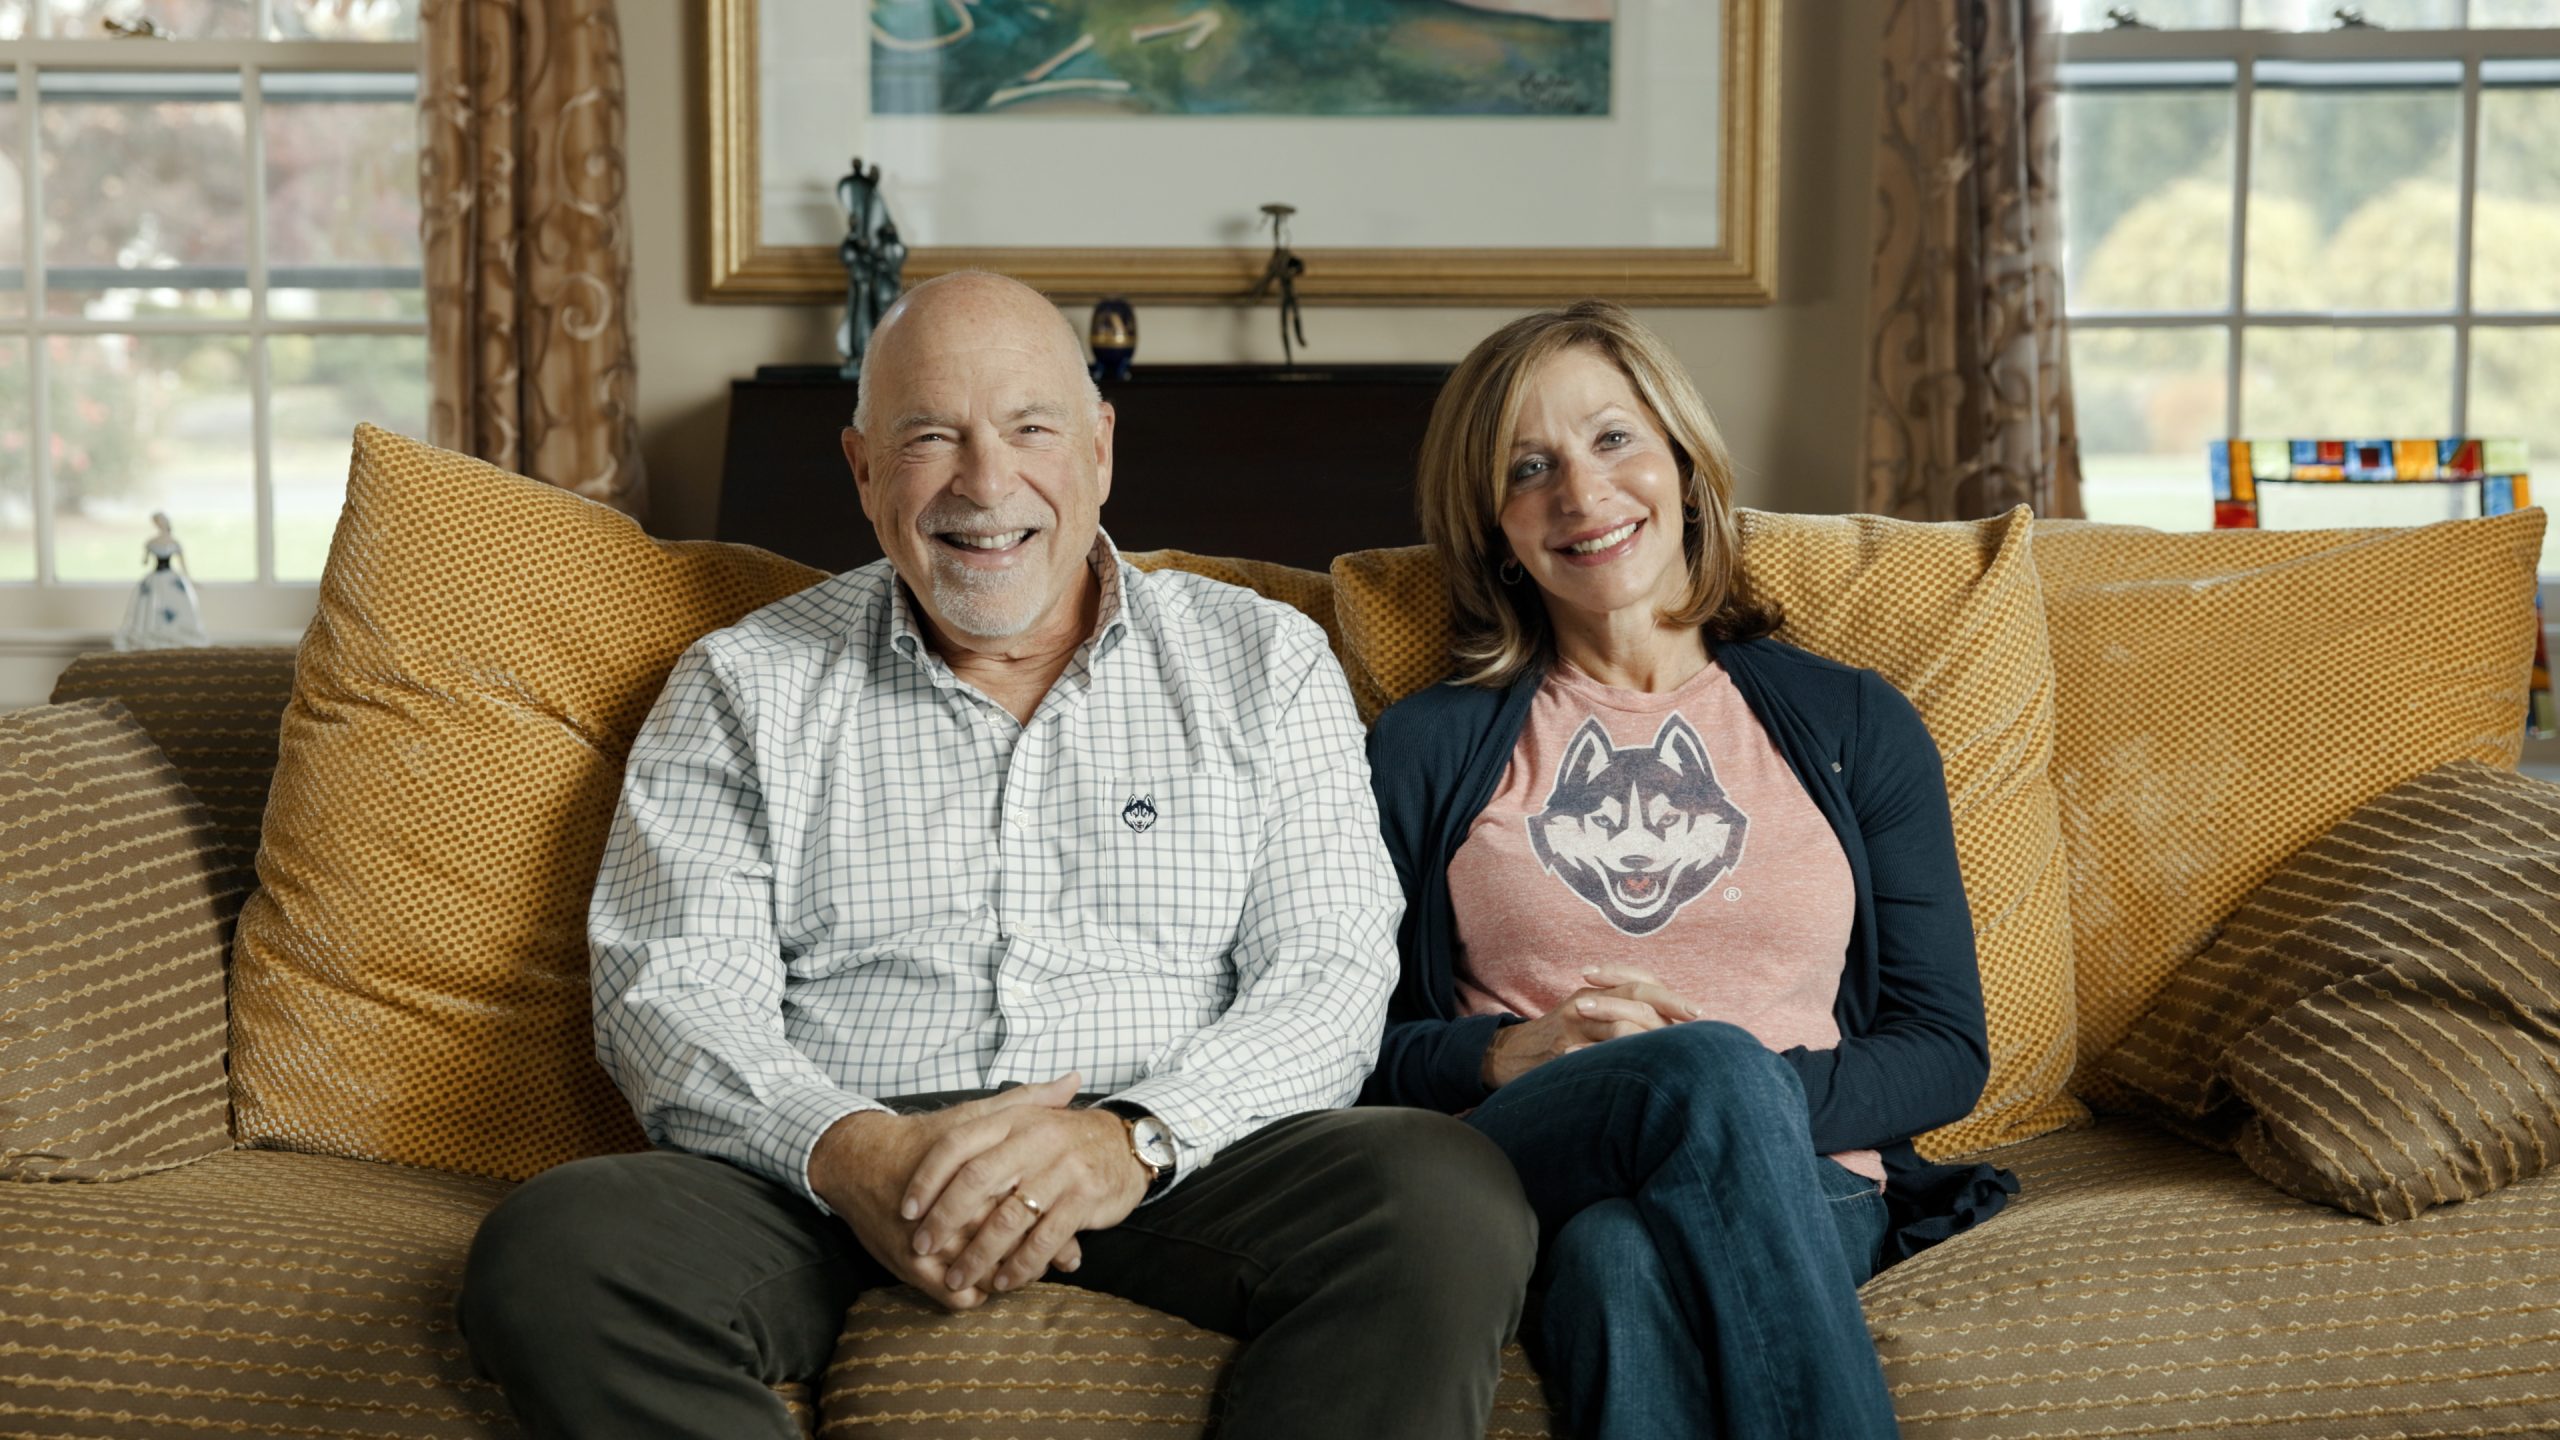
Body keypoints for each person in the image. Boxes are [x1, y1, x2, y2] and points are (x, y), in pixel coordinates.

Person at [457, 271, 1535, 1440]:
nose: (986, 484)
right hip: (836, 1172)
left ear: (1100, 448)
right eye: (930, 437)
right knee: (560, 1247)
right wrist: (854, 1153)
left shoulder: (1260, 662)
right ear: (864, 470)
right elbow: (670, 996)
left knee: (1443, 1198)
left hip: (1179, 1158)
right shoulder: (742, 684)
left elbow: (1328, 972)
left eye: (1030, 429)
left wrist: (1130, 1143)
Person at [1363, 300, 2018, 1439]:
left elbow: (1943, 1049)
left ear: (1681, 456)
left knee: (1623, 1257)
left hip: (1803, 1181)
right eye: (1529, 468)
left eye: (1613, 439)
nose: (1581, 493)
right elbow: (1337, 1040)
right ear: (1492, 527)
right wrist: (1506, 1050)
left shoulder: (1853, 723)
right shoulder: (1428, 747)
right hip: (1530, 1155)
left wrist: (1735, 1098)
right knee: (1697, 1077)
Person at [114, 511, 209, 651]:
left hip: (169, 578)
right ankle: (153, 636)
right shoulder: (152, 542)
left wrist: (192, 581)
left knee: (175, 607)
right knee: (151, 608)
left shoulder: (171, 542)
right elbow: (145, 562)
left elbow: (183, 566)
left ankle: (171, 637)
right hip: (156, 579)